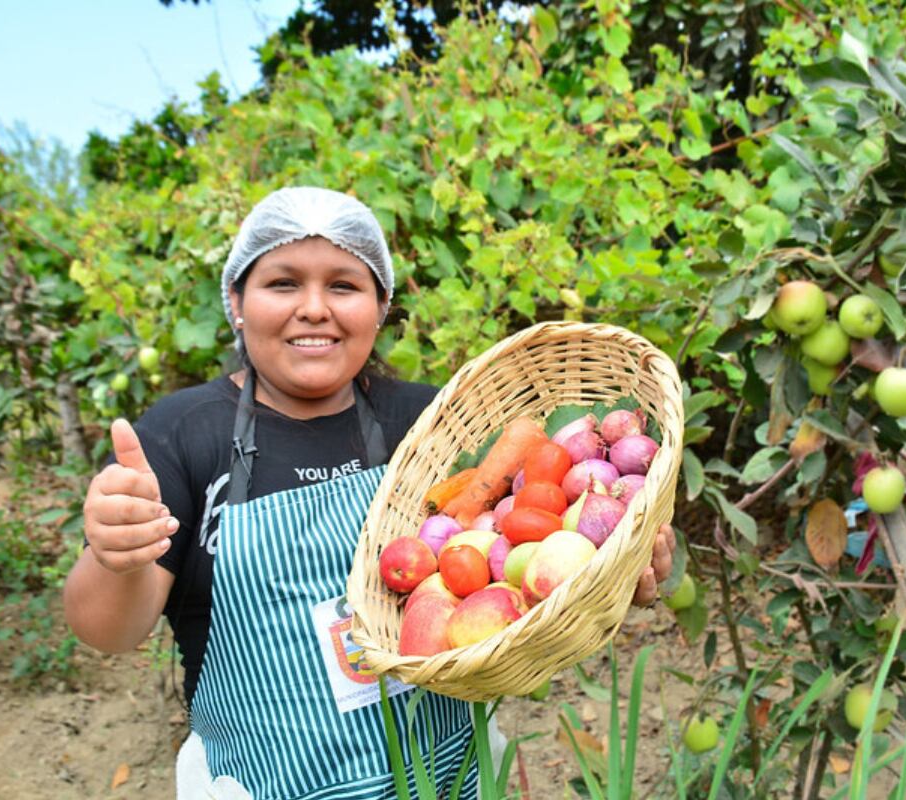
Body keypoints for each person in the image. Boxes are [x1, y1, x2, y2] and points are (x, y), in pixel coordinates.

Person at [62, 186, 676, 800]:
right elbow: (108, 631)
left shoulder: (434, 425)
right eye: (282, 283)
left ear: (380, 305)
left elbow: (511, 569)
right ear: (236, 301)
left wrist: (613, 569)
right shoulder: (182, 434)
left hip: (449, 780)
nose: (313, 309)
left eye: (343, 286)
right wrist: (119, 554)